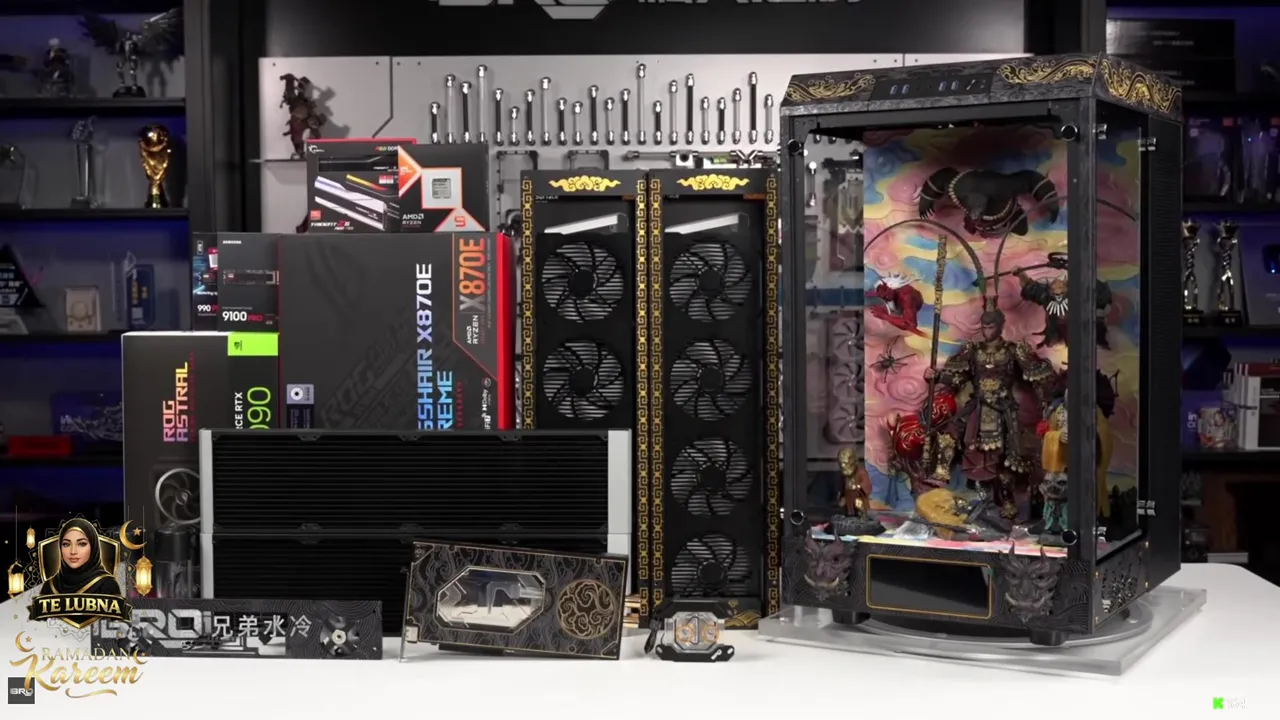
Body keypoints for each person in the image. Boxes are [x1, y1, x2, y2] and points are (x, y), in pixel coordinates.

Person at [39, 518, 121, 597]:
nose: (73, 551)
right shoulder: (50, 586)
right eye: (66, 544)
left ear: (93, 547)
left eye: (82, 544)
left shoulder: (107, 585)